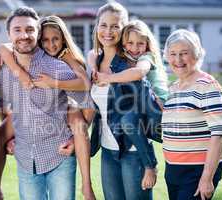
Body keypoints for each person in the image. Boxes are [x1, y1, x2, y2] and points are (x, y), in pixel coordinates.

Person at [0, 14, 95, 200]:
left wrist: (76, 136)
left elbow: (87, 99)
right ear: (8, 34)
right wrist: (8, 134)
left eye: (29, 29)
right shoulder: (0, 69)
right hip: (26, 160)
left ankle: (87, 188)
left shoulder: (58, 67)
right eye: (17, 30)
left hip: (59, 156)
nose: (24, 35)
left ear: (36, 33)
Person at [88, 2, 159, 199]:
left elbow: (143, 75)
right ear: (97, 27)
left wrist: (149, 165)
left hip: (134, 150)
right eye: (103, 25)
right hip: (107, 150)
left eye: (115, 26)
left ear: (125, 29)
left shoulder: (132, 62)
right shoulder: (95, 60)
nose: (108, 31)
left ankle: (150, 164)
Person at [162, 29, 222, 200]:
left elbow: (219, 134)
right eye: (173, 54)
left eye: (184, 53)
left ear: (197, 55)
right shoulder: (173, 88)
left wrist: (206, 178)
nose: (178, 60)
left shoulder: (207, 85)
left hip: (197, 170)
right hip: (173, 170)